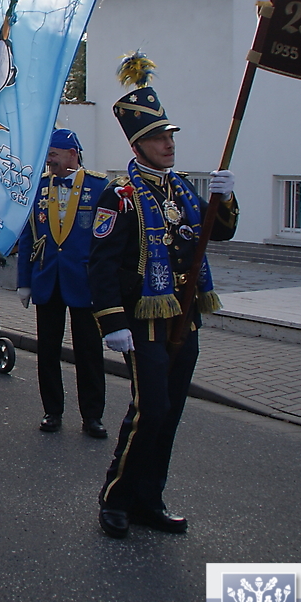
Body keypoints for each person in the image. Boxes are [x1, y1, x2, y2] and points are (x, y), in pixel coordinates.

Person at [90, 60, 237, 539]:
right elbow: (102, 264)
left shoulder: (183, 189)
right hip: (142, 322)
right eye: (158, 137)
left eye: (170, 135)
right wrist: (112, 322)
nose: (169, 144)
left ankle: (149, 499)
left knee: (169, 413)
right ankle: (116, 497)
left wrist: (225, 199)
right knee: (149, 409)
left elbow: (219, 233)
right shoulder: (121, 195)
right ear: (137, 146)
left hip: (183, 318)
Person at [15, 128, 109, 436]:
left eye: (53, 155)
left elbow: (107, 241)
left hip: (85, 282)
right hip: (47, 278)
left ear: (72, 154)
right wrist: (24, 281)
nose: (49, 160)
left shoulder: (100, 186)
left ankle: (92, 416)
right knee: (48, 351)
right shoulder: (40, 186)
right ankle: (52, 411)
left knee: (89, 353)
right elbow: (28, 236)